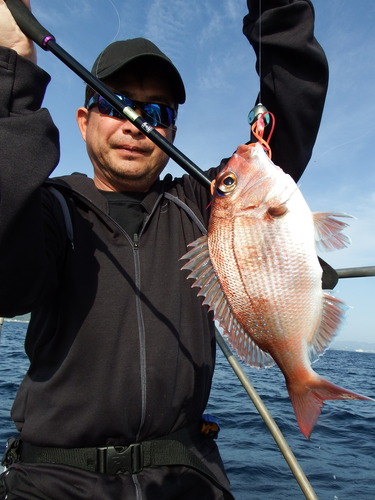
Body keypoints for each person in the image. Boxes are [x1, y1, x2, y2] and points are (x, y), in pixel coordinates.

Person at [0, 0, 329, 498]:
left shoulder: (211, 202)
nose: (136, 123)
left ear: (171, 131)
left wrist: (276, 9)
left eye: (156, 113)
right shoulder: (48, 208)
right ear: (84, 120)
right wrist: (13, 63)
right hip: (53, 479)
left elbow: (286, 116)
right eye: (116, 104)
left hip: (186, 471)